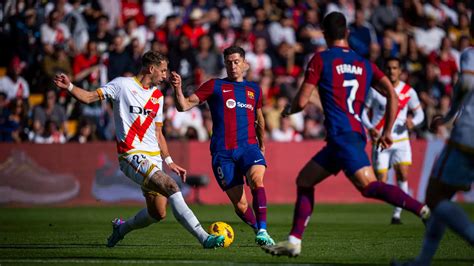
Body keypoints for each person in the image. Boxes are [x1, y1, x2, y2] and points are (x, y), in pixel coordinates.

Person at [261, 12, 430, 257]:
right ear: (347, 33)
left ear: (324, 34)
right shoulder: (364, 63)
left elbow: (301, 101)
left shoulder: (321, 59)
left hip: (343, 136)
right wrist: (387, 130)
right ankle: (294, 241)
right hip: (348, 136)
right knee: (305, 180)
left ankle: (424, 211)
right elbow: (392, 95)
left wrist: (289, 109)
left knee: (369, 186)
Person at [53, 51, 224, 249]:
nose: (165, 75)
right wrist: (70, 86)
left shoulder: (158, 96)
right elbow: (90, 97)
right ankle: (205, 238)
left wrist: (169, 161)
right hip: (131, 155)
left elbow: (158, 133)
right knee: (171, 186)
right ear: (151, 69)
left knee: (158, 213)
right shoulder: (122, 85)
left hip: (154, 159)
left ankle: (121, 229)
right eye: (163, 71)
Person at [171, 46, 275, 246]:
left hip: (249, 148)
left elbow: (259, 119)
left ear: (245, 64)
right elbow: (183, 106)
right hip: (223, 153)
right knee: (240, 204)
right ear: (224, 64)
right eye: (229, 62)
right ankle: (258, 232)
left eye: (236, 62)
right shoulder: (214, 86)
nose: (233, 66)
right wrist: (178, 88)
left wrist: (262, 145)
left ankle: (263, 229)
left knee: (256, 180)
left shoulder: (254, 89)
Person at [392, 46, 474, 266]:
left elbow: (466, 83)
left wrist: (448, 115)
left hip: (468, 135)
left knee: (435, 199)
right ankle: (423, 261)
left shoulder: (469, 54)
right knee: (442, 199)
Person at [362, 57, 425, 224]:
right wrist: (370, 127)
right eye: (389, 68)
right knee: (381, 181)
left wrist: (413, 121)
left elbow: (420, 114)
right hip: (381, 140)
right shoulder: (375, 90)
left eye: (395, 68)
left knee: (403, 175)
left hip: (401, 139)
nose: (391, 71)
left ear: (400, 71)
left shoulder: (408, 92)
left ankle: (397, 214)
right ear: (385, 70)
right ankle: (398, 201)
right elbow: (362, 113)